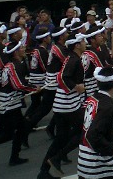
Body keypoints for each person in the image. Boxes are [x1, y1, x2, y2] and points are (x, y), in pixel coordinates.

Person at [41, 32, 87, 179]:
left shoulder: (71, 58)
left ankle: (44, 171)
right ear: (77, 45)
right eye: (83, 41)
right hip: (68, 104)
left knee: (60, 138)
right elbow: (62, 77)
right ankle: (57, 158)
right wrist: (76, 87)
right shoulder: (74, 60)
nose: (85, 43)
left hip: (62, 104)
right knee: (83, 131)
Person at [77, 66, 113, 179]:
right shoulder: (107, 106)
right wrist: (112, 147)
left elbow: (89, 123)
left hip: (84, 160)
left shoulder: (92, 99)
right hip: (98, 164)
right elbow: (93, 133)